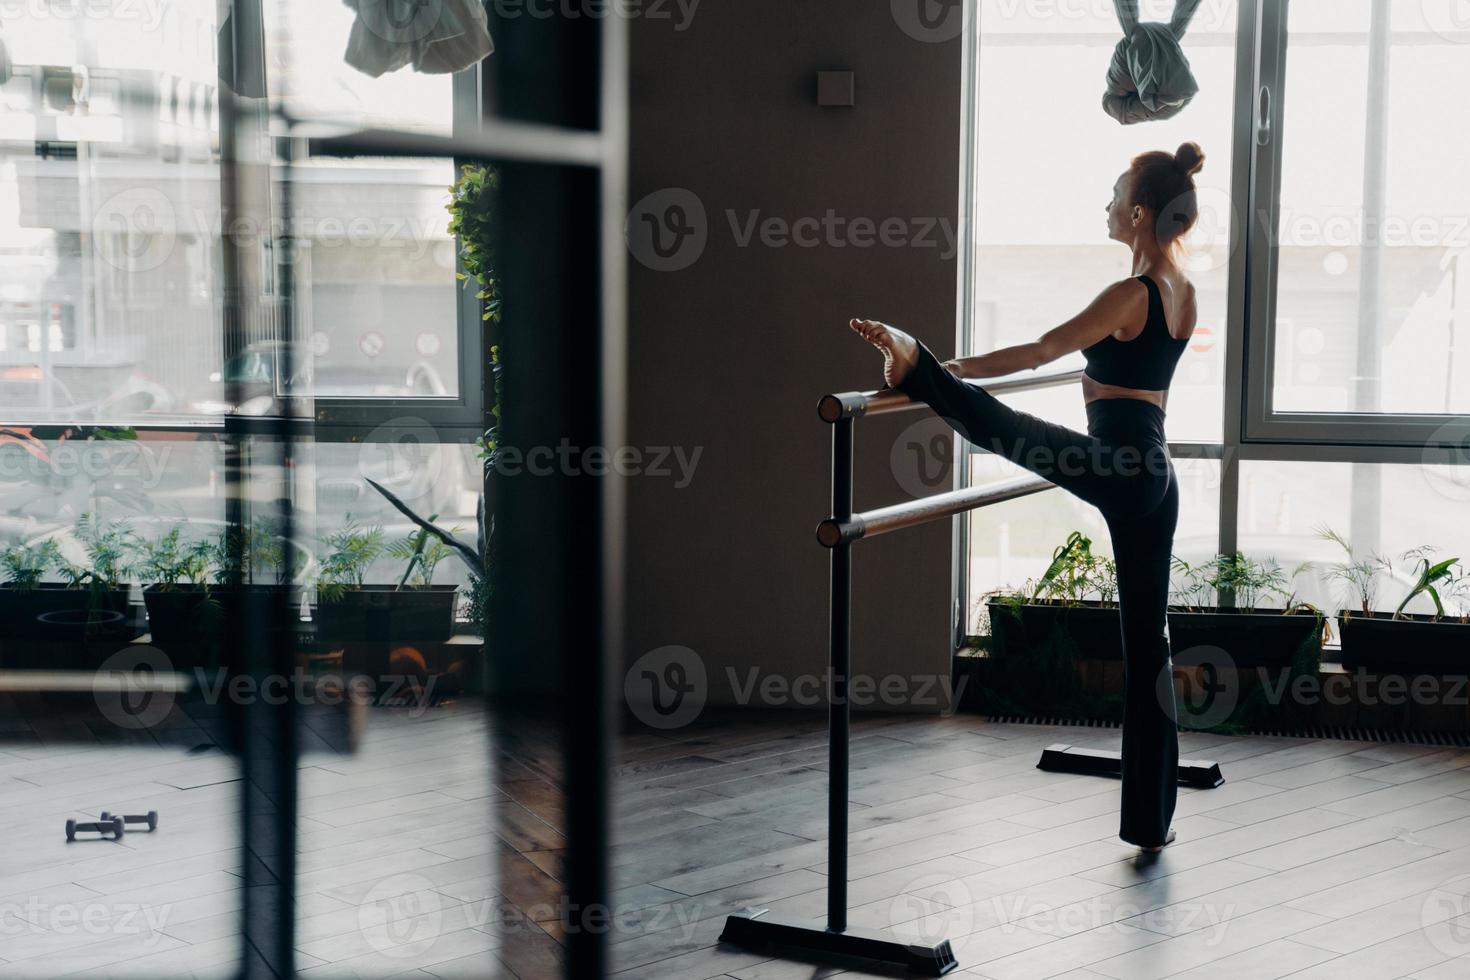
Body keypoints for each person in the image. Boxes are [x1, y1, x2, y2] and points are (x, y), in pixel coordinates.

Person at [849, 141, 1205, 853]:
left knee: (1005, 430)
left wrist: (942, 371)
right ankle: (1151, 821)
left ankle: (913, 360)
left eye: (1113, 197)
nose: (1105, 207)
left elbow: (1042, 350)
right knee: (1148, 647)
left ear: (1138, 214)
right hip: (1152, 475)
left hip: (1124, 464)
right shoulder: (1182, 292)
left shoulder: (1128, 295)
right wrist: (955, 374)